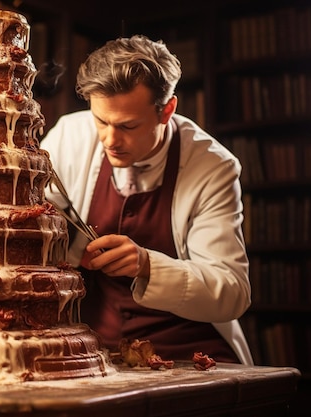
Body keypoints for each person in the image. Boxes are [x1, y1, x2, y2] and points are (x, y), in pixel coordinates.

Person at [40, 35, 253, 365]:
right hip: (90, 344)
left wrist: (147, 265)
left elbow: (231, 292)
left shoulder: (214, 167)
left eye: (128, 126)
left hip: (189, 347)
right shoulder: (68, 135)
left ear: (166, 110)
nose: (110, 140)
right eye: (101, 121)